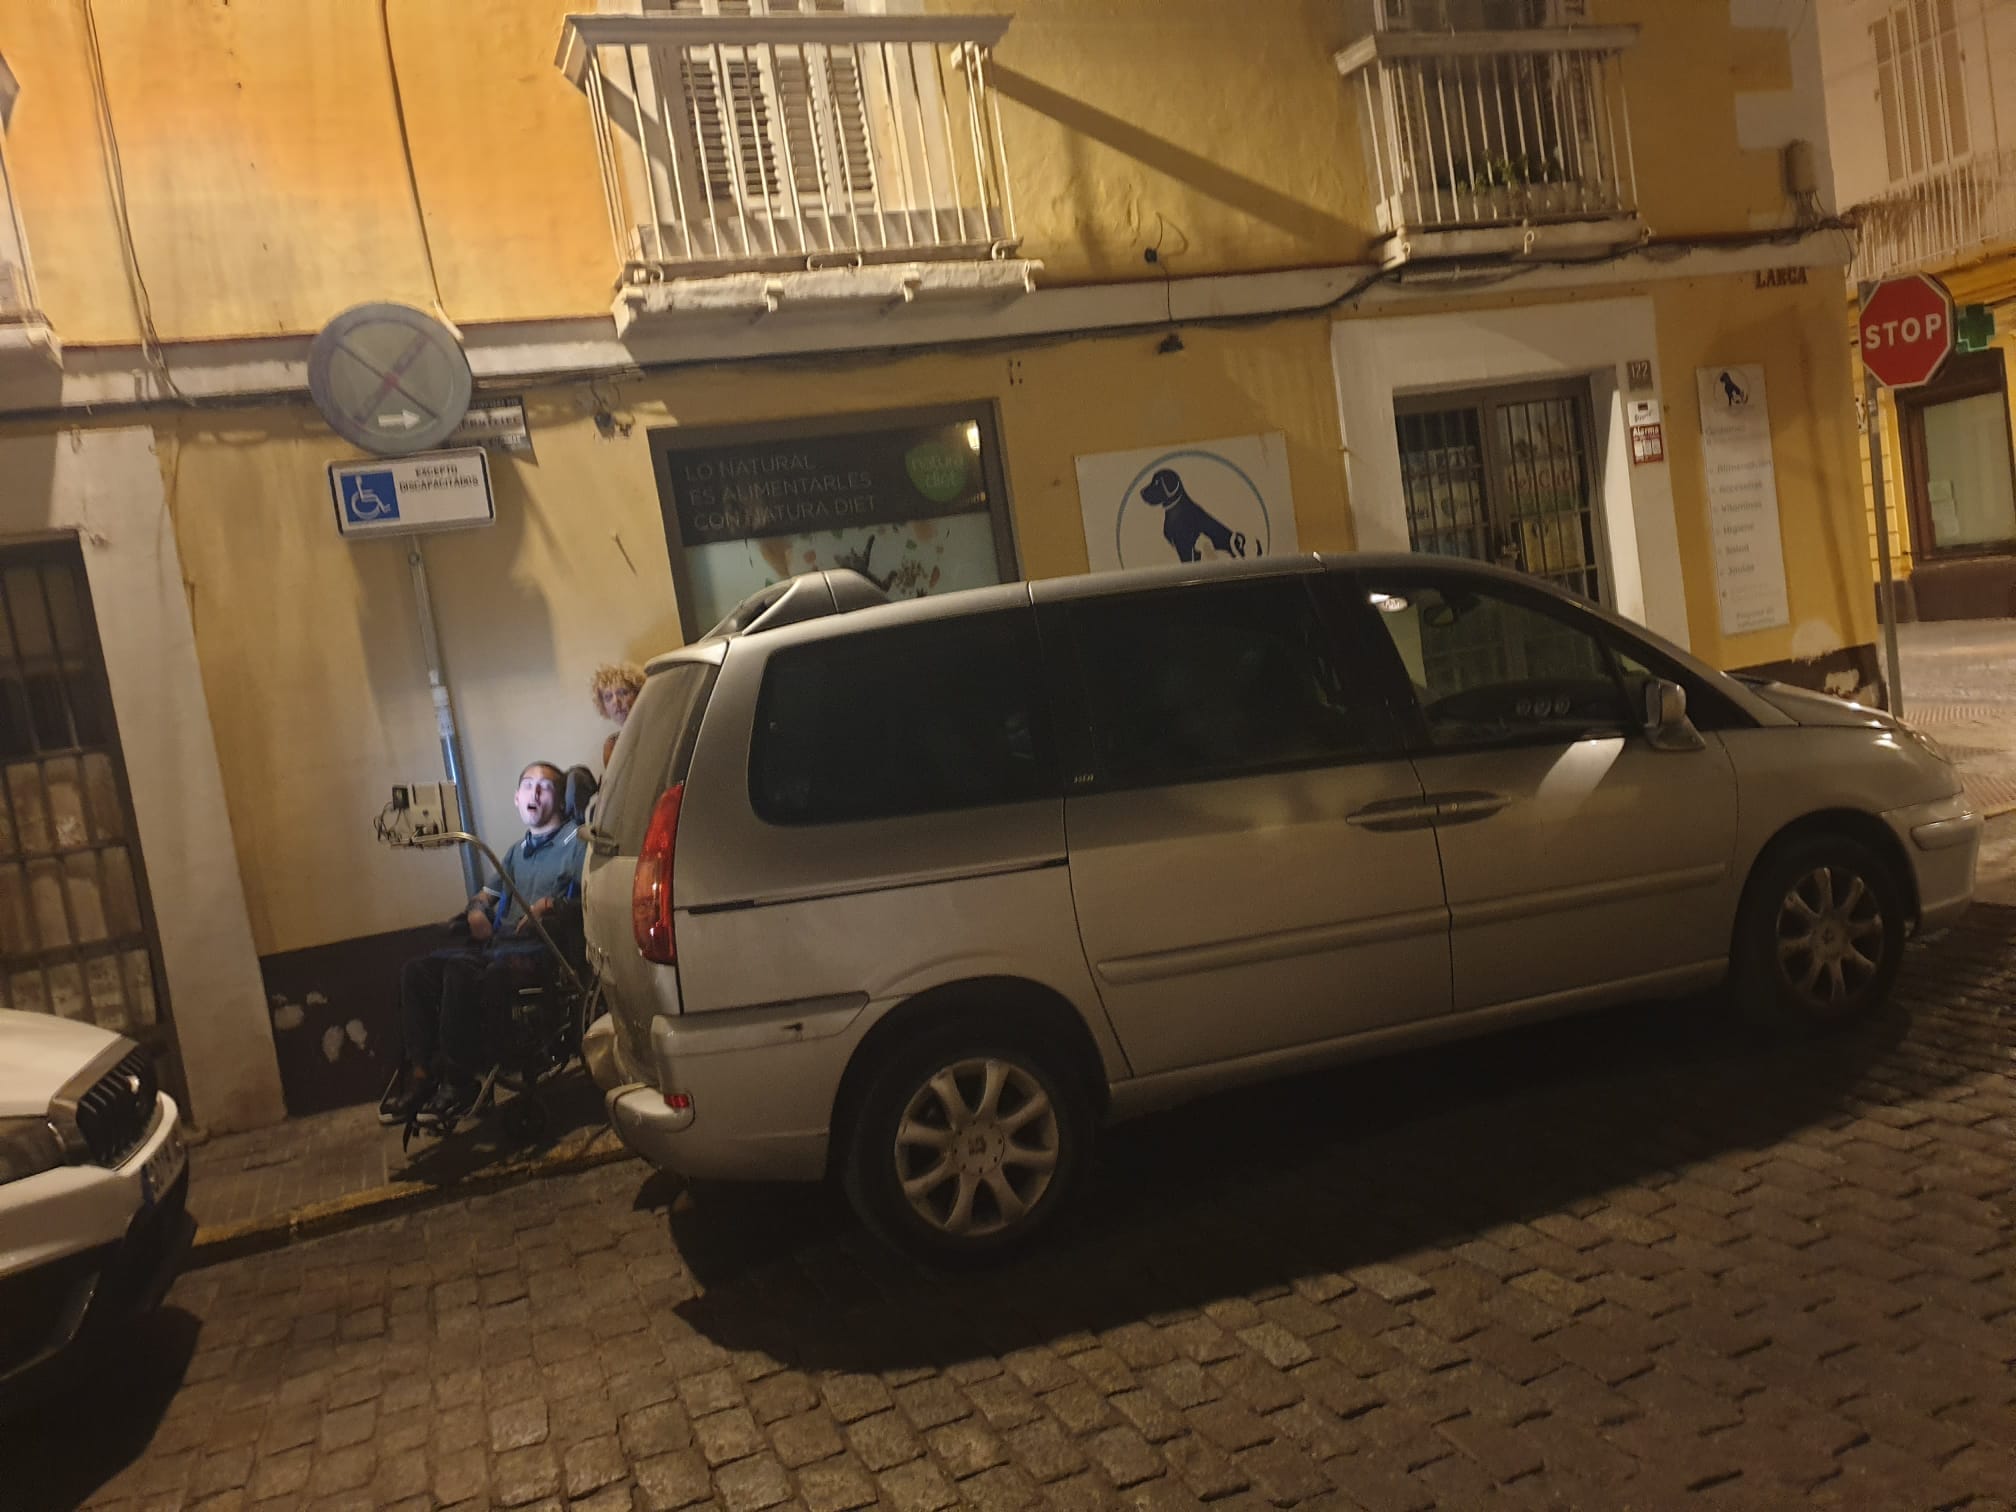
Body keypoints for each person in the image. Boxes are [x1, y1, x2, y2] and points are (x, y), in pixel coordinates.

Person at [380, 761, 584, 1129]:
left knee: (461, 972)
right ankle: (423, 1074)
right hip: (496, 948)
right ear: (517, 799)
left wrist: (550, 905)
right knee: (417, 972)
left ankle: (459, 1082)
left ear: (560, 798)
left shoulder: (576, 843)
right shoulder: (515, 852)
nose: (535, 793)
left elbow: (590, 897)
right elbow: (484, 897)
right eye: (528, 786)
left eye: (546, 787)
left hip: (538, 951)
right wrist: (476, 910)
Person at [591, 662, 645, 769]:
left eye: (623, 693)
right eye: (608, 697)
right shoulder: (611, 746)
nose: (616, 701)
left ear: (638, 693)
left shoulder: (656, 729)